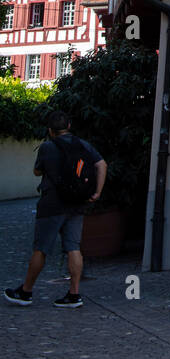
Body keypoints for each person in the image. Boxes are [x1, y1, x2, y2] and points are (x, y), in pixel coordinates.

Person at [4, 110, 106, 309]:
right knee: (73, 247)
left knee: (41, 248)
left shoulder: (47, 147)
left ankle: (25, 291)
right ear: (68, 126)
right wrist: (97, 192)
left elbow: (37, 171)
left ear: (50, 130)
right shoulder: (83, 145)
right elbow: (102, 164)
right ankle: (74, 294)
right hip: (77, 202)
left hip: (52, 203)